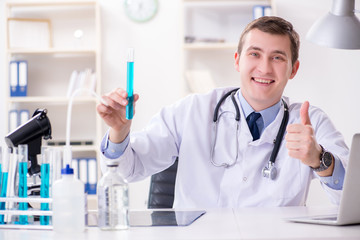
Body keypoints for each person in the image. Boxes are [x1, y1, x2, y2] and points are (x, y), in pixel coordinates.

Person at [97, 16, 348, 208]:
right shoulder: (192, 110)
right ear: (237, 60)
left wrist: (320, 160)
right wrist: (118, 132)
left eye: (277, 58)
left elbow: (352, 197)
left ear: (293, 69)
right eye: (254, 54)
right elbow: (127, 170)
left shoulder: (310, 122)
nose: (264, 67)